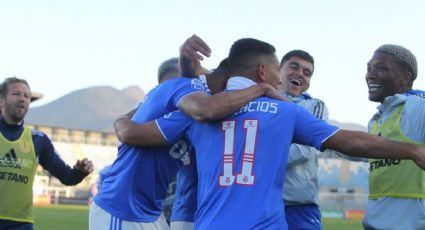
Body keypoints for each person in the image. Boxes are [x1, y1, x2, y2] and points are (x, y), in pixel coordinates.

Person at [114, 38, 425, 229]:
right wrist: (412, 151)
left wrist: (122, 123)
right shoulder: (287, 112)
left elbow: (134, 134)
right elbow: (350, 142)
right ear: (263, 72)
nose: (281, 78)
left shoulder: (195, 113)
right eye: (279, 69)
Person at [90, 46, 282, 230]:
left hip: (149, 210)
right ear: (226, 84)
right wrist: (262, 89)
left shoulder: (192, 102)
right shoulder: (190, 103)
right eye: (239, 92)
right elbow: (130, 133)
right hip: (122, 208)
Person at [0, 77, 93, 230]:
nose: (22, 98)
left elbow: (67, 177)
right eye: (16, 94)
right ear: (1, 101)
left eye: (26, 96)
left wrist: (80, 172)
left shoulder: (38, 140)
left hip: (21, 224)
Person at [362, 44, 425, 229]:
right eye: (369, 68)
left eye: (381, 68)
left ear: (405, 78)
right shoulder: (375, 120)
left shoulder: (417, 108)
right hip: (374, 223)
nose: (370, 75)